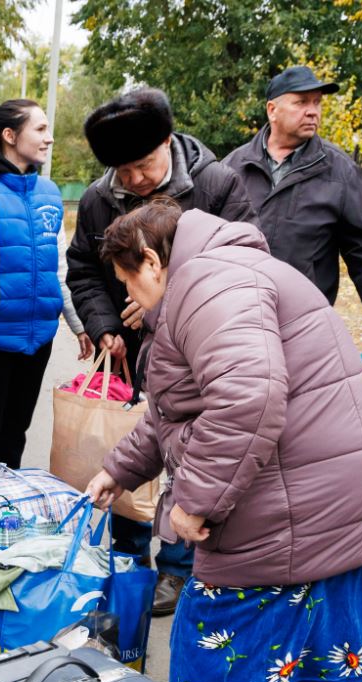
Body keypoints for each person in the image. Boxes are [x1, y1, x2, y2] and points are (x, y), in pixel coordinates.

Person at [86, 199, 362, 682]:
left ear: (149, 259)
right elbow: (182, 407)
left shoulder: (211, 285)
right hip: (322, 486)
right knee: (313, 681)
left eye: (128, 281)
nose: (129, 297)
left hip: (301, 496)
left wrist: (194, 503)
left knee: (216, 668)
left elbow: (245, 398)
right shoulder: (218, 275)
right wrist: (119, 468)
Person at [67, 87, 257, 616]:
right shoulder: (96, 199)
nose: (133, 181)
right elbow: (82, 269)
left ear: (168, 143)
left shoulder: (216, 184)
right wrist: (105, 325)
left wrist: (162, 304)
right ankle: (129, 558)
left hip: (200, 353)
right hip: (127, 354)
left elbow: (243, 264)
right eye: (121, 171)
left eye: (143, 165)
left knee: (186, 450)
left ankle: (179, 567)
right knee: (132, 447)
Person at [0, 100, 92, 477]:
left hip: (39, 338)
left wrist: (78, 324)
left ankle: (6, 515)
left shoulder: (49, 193)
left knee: (14, 435)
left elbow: (60, 266)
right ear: (9, 135)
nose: (49, 138)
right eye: (40, 129)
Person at [223, 65, 362, 318]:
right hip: (237, 314)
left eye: (317, 103)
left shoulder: (339, 171)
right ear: (272, 110)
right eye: (301, 103)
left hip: (303, 321)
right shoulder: (234, 166)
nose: (312, 111)